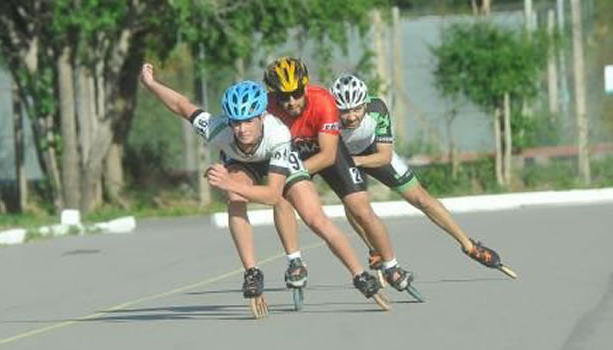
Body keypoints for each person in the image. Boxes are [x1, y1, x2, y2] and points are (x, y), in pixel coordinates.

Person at [138, 63, 388, 314]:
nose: (242, 130)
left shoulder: (278, 134)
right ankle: (252, 272)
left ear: (262, 116)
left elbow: (271, 195)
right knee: (235, 198)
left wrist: (226, 182)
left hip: (273, 157)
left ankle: (358, 274)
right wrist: (151, 84)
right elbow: (182, 106)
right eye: (236, 123)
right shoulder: (218, 130)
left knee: (314, 217)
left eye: (248, 121)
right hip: (241, 163)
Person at [328, 73, 516, 277]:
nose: (352, 116)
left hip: (373, 152)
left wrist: (354, 162)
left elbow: (384, 156)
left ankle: (470, 246)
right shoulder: (326, 116)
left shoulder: (377, 108)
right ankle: (375, 251)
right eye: (344, 111)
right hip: (342, 155)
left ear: (365, 103)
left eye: (357, 108)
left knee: (421, 198)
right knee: (353, 205)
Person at [263, 57, 415, 291]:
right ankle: (294, 261)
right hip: (292, 152)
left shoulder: (323, 100)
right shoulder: (266, 108)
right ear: (274, 95)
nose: (292, 101)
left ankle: (391, 265)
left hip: (327, 150)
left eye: (297, 93)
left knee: (361, 208)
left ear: (305, 86)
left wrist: (295, 174)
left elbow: (327, 156)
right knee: (281, 199)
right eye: (284, 96)